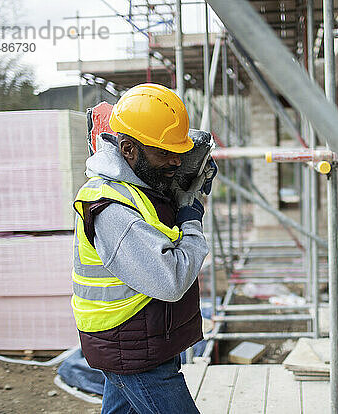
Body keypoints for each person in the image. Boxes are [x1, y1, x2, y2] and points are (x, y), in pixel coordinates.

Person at [71, 83, 215, 413]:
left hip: (139, 338)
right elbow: (172, 280)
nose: (176, 162)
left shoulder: (140, 180)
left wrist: (192, 173)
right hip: (132, 346)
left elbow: (161, 197)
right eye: (165, 153)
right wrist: (191, 221)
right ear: (128, 150)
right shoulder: (111, 208)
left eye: (178, 152)